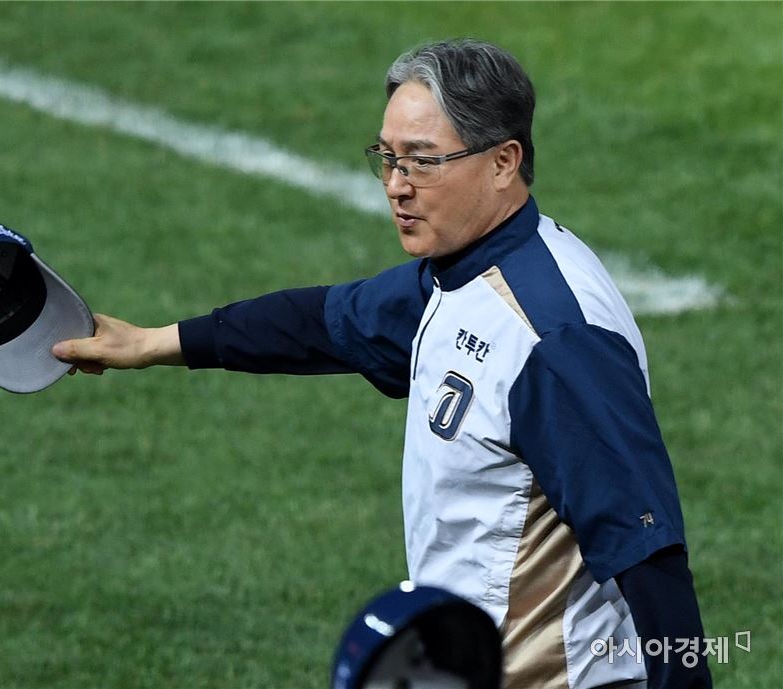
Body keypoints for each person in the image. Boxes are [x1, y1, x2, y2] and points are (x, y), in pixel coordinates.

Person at [53, 39, 712, 689]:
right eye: (388, 159)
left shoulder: (553, 341)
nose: (397, 186)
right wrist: (151, 343)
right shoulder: (456, 277)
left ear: (503, 162)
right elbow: (319, 323)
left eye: (422, 161)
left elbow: (646, 552)